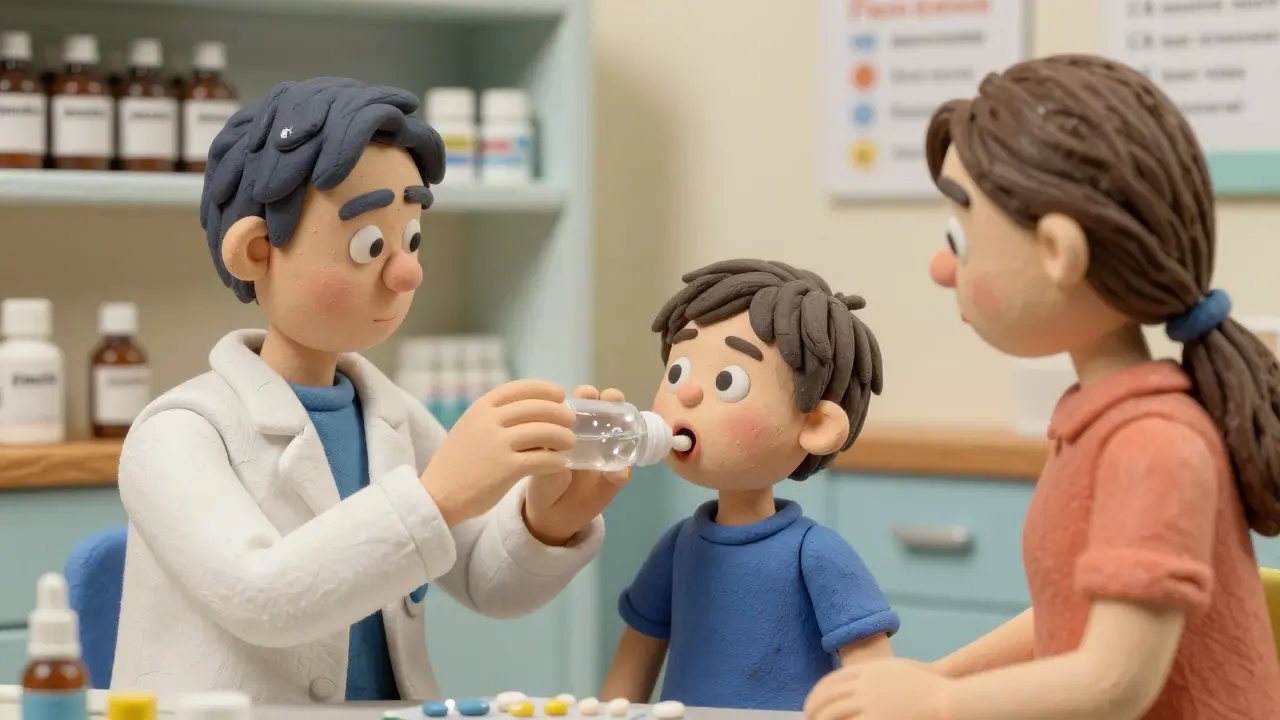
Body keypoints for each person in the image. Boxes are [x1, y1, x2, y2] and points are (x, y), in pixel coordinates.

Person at [111, 78, 625, 703]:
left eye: (411, 239)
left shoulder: (390, 415)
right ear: (256, 251)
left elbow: (491, 587)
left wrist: (550, 518)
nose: (408, 270)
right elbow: (263, 598)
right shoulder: (179, 433)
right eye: (369, 244)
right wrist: (439, 496)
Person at [805, 55, 1280, 720]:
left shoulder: (1154, 444)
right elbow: (1069, 614)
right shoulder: (1099, 419)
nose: (943, 268)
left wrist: (942, 702)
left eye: (960, 238)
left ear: (1059, 251)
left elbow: (1115, 683)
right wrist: (937, 674)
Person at [600, 259, 899, 712]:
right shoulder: (679, 546)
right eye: (678, 371)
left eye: (727, 381)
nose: (688, 394)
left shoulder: (815, 553)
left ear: (816, 424)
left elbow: (875, 678)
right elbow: (636, 654)